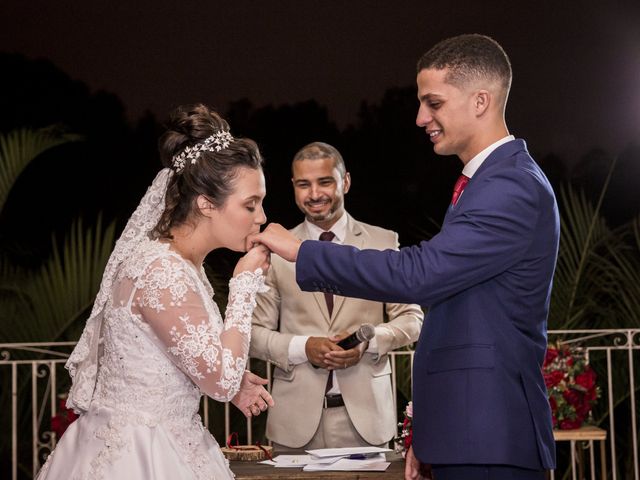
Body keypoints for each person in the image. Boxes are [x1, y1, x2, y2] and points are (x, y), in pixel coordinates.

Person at [250, 34, 559, 480]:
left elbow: (420, 275)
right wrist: (430, 435)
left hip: (490, 435)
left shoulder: (510, 186)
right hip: (467, 432)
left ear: (480, 101)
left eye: (433, 103)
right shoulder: (487, 182)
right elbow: (457, 315)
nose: (420, 118)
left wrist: (301, 252)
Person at [36, 104, 275, 480]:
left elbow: (177, 354)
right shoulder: (160, 271)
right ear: (206, 203)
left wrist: (226, 376)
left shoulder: (180, 264)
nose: (261, 217)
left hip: (173, 440)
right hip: (138, 454)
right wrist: (245, 285)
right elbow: (220, 381)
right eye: (251, 204)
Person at [250, 142, 423, 451]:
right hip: (294, 425)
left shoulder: (382, 242)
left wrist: (367, 343)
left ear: (345, 182)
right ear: (293, 187)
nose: (314, 194)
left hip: (368, 421)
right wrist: (303, 347)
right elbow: (251, 334)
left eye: (325, 182)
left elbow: (412, 319)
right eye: (304, 184)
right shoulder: (275, 251)